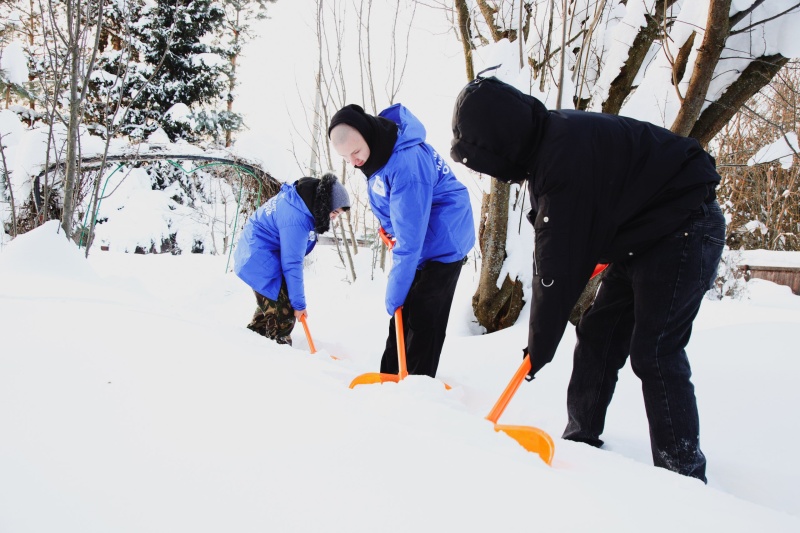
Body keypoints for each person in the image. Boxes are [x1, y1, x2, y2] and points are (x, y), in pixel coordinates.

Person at [450, 74, 725, 483]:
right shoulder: (551, 144)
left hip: (684, 226)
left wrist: (538, 347)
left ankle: (682, 477)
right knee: (598, 335)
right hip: (645, 234)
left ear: (500, 140)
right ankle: (580, 440)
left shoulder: (561, 157)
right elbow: (573, 233)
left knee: (655, 350)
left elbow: (555, 268)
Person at [328, 103, 475, 378]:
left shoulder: (406, 163)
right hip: (420, 237)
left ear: (366, 133)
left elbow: (410, 238)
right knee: (403, 314)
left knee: (423, 315)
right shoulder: (378, 153)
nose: (354, 161)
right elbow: (393, 203)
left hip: (445, 239)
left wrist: (395, 289)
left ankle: (418, 387)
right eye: (346, 158)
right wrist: (388, 228)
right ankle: (390, 378)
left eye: (356, 152)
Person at [234, 172, 350, 345]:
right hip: (256, 256)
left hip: (263, 254)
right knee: (285, 313)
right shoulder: (297, 217)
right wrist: (299, 304)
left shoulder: (303, 203)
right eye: (334, 212)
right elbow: (292, 263)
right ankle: (281, 358)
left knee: (274, 308)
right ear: (324, 204)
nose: (334, 217)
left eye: (338, 214)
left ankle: (249, 345)